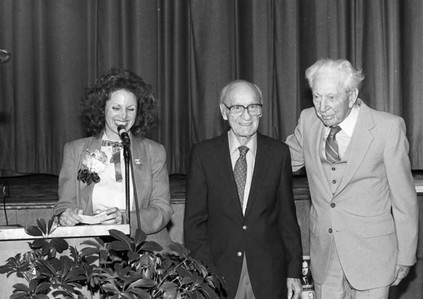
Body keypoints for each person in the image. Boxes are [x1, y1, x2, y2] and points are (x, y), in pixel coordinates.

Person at [286, 59, 418, 299]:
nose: (322, 107)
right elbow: (280, 161)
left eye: (331, 98)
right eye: (317, 97)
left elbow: (404, 199)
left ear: (352, 94)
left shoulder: (387, 127)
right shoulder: (308, 122)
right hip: (325, 256)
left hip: (372, 256)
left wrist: (406, 255)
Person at [184, 80, 303, 299]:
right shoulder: (203, 155)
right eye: (237, 107)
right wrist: (206, 276)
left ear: (261, 110)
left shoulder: (278, 154)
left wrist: (294, 272)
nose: (246, 116)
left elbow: (287, 219)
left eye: (253, 107)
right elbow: (194, 224)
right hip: (219, 276)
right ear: (224, 111)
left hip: (269, 275)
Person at [54, 69, 174, 246]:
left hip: (142, 247)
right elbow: (63, 205)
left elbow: (162, 210)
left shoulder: (154, 152)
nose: (123, 116)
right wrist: (65, 215)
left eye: (130, 109)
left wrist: (127, 219)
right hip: (90, 247)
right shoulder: (75, 150)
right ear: (102, 109)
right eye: (116, 108)